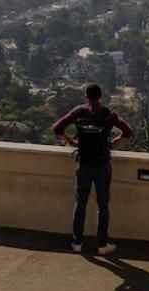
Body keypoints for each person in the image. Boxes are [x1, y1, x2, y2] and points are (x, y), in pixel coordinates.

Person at [53, 84, 134, 255]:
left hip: (83, 163)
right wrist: (111, 144)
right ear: (100, 96)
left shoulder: (79, 112)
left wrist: (71, 142)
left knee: (80, 204)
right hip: (102, 164)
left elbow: (57, 128)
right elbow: (128, 131)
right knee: (102, 205)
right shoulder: (108, 114)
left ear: (86, 96)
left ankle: (77, 242)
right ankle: (102, 244)